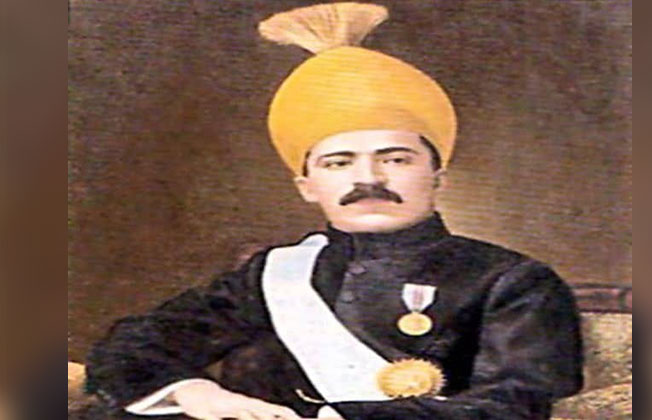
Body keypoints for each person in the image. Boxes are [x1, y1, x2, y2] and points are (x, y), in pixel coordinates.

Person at [85, 3, 583, 419]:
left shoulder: (514, 281)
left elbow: (515, 404)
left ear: (439, 177)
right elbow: (135, 346)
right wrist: (196, 392)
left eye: (395, 159)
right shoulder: (272, 274)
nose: (369, 179)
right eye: (339, 162)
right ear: (307, 186)